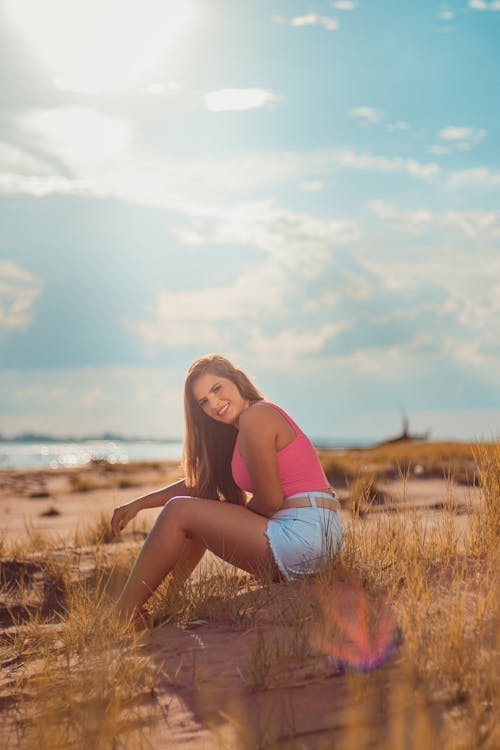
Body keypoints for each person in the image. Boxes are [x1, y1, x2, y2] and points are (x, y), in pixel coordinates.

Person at [111, 354, 344, 625]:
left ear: (235, 379)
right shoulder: (242, 429)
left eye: (216, 388)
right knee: (196, 509)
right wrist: (140, 504)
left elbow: (270, 501)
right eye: (204, 402)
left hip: (305, 535)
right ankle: (171, 599)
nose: (214, 404)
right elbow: (202, 486)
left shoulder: (257, 416)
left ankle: (122, 614)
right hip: (315, 539)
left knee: (179, 511)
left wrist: (230, 516)